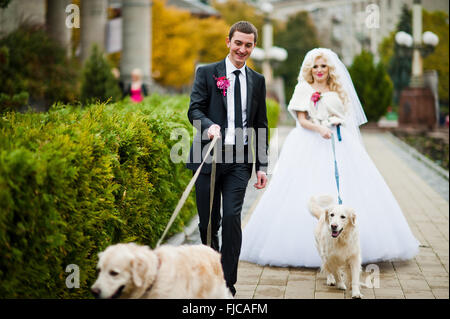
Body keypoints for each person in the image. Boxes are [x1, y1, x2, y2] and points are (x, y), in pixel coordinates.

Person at [240, 48, 420, 268]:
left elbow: (346, 114)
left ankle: (350, 243)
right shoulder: (303, 88)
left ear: (329, 68)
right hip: (309, 140)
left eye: (323, 66)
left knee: (350, 184)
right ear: (310, 69)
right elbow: (302, 120)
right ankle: (311, 245)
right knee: (304, 187)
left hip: (337, 142)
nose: (319, 70)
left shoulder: (337, 88)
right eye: (315, 66)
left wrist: (336, 121)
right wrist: (319, 129)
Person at [186, 21, 269, 296]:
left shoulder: (257, 81)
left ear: (253, 46)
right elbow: (194, 110)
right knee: (208, 222)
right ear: (228, 42)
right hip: (208, 156)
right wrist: (208, 125)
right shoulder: (207, 73)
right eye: (238, 43)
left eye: (248, 45)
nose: (242, 49)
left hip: (239, 160)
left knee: (233, 218)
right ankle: (211, 274)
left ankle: (227, 282)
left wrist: (262, 166)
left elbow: (260, 124)